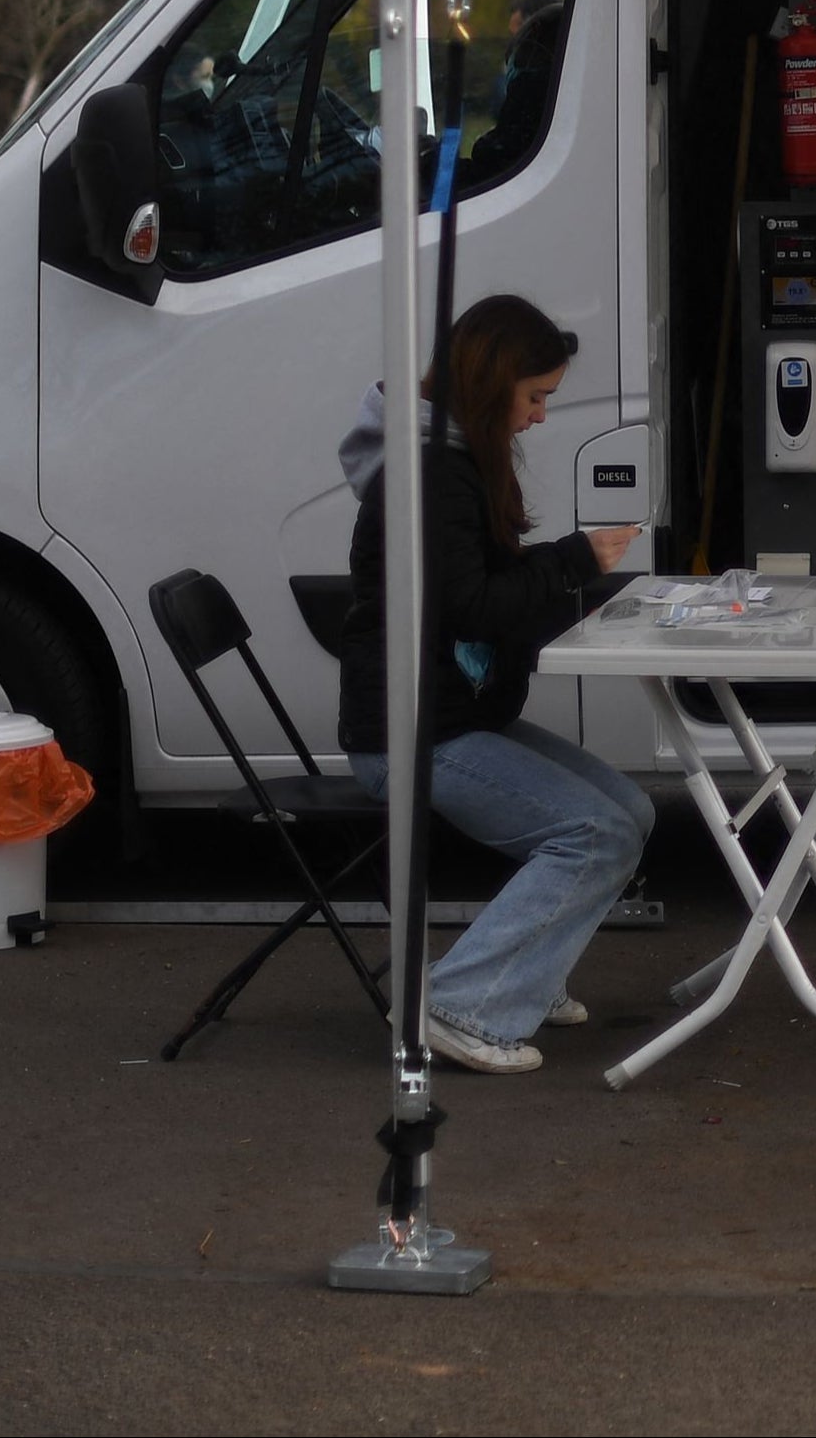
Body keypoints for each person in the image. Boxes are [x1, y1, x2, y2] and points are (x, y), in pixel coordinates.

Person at [338, 292, 652, 1075]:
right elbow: (472, 606)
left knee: (631, 807)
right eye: (536, 396)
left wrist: (571, 567)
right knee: (596, 831)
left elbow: (477, 584)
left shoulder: (446, 462)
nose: (542, 416)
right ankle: (461, 1002)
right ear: (491, 386)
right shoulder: (430, 477)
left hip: (444, 713)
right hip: (410, 733)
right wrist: (576, 561)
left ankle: (523, 977)